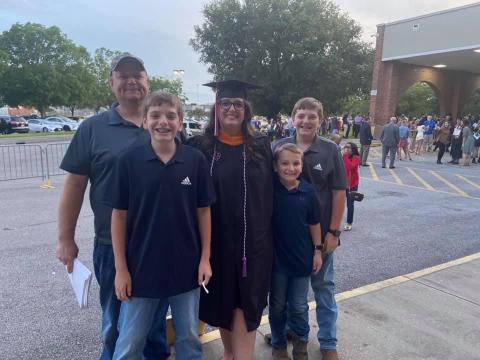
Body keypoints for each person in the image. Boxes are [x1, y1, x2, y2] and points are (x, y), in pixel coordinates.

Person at [56, 53, 170, 360]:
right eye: (123, 75)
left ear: (148, 82)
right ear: (112, 84)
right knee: (114, 327)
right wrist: (66, 238)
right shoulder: (92, 129)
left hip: (158, 246)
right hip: (111, 245)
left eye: (138, 74)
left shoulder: (164, 124)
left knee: (155, 327)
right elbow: (75, 186)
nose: (131, 80)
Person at [107, 91, 215, 360]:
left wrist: (205, 259)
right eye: (155, 115)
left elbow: (204, 212)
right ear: (144, 121)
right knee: (130, 341)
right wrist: (121, 269)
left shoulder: (194, 160)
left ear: (180, 122)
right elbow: (118, 216)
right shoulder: (129, 162)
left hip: (187, 268)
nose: (163, 122)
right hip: (141, 269)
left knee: (189, 336)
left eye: (171, 116)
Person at [187, 80, 273, 360]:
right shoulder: (201, 145)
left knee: (246, 304)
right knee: (222, 301)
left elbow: (279, 187)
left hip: (253, 243)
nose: (231, 108)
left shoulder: (261, 145)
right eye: (225, 103)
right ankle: (229, 353)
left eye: (238, 103)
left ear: (246, 109)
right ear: (217, 108)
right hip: (216, 242)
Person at [272, 97, 347, 360]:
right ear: (293, 118)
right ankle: (289, 331)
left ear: (320, 120)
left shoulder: (329, 150)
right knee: (289, 293)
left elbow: (339, 193)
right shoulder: (278, 147)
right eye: (301, 115)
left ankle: (328, 342)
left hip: (319, 236)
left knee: (323, 287)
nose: (305, 121)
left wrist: (333, 232)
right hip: (284, 240)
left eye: (312, 116)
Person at [269, 143, 323, 360]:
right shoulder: (270, 190)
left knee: (299, 305)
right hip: (276, 262)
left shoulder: (308, 191)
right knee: (278, 305)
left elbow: (314, 223)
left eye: (295, 163)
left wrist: (318, 251)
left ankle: (301, 343)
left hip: (301, 260)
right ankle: (279, 343)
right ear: (275, 166)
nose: (290, 168)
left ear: (302, 165)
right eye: (285, 163)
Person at [342, 142, 360, 231]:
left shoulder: (356, 158)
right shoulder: (341, 156)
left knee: (350, 204)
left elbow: (350, 167)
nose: (347, 149)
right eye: (345, 147)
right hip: (342, 184)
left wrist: (345, 156)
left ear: (353, 149)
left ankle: (349, 222)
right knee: (338, 203)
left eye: (349, 147)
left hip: (352, 184)